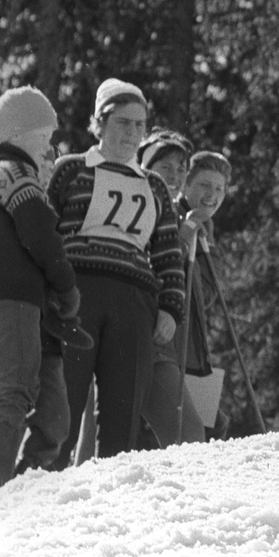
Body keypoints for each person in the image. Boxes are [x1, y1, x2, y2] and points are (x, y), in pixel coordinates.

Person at [46, 78, 185, 465]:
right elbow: (46, 233)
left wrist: (171, 308)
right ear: (101, 122)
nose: (133, 132)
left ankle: (107, 505)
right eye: (124, 122)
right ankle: (42, 495)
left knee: (123, 408)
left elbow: (168, 253)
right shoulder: (70, 170)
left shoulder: (154, 186)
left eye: (140, 125)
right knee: (63, 401)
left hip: (135, 301)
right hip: (77, 295)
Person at [0, 87, 80, 486]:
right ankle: (4, 488)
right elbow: (39, 232)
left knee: (29, 402)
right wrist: (66, 284)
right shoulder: (12, 171)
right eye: (44, 138)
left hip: (22, 301)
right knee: (12, 395)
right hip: (11, 298)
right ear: (21, 134)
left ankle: (21, 489)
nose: (48, 149)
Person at [136, 128, 206, 447]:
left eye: (181, 168)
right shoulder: (137, 201)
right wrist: (184, 235)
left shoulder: (176, 213)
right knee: (187, 433)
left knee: (187, 434)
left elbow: (200, 296)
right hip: (141, 328)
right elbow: (153, 262)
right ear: (146, 165)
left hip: (163, 340)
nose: (176, 175)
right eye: (167, 166)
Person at [178, 150, 234, 440]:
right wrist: (187, 230)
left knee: (212, 427)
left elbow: (207, 294)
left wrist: (204, 239)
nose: (212, 194)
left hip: (195, 350)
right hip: (174, 346)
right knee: (199, 431)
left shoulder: (207, 230)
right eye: (204, 185)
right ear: (186, 185)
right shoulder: (175, 218)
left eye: (219, 188)